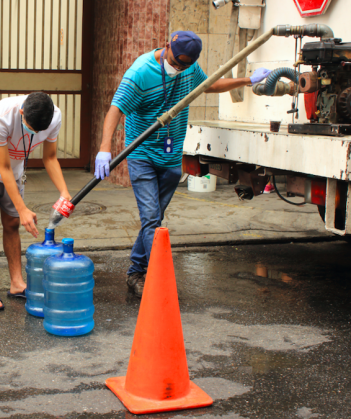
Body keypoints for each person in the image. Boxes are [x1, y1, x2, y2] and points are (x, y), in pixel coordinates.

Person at [94, 31, 271, 297]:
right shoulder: (140, 72)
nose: (178, 68)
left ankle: (135, 273)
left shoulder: (190, 68)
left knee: (152, 220)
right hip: (141, 153)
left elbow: (209, 85)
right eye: (176, 61)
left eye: (184, 65)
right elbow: (116, 108)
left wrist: (247, 80)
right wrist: (105, 147)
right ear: (167, 47)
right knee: (151, 218)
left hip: (171, 155)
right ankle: (154, 278)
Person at [0, 92, 71, 311]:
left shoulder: (54, 117)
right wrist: (23, 208)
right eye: (30, 127)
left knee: (13, 224)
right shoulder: (1, 116)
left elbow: (50, 157)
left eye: (38, 132)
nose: (34, 133)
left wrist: (64, 191)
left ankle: (16, 283)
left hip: (15, 171)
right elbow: (3, 168)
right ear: (22, 112)